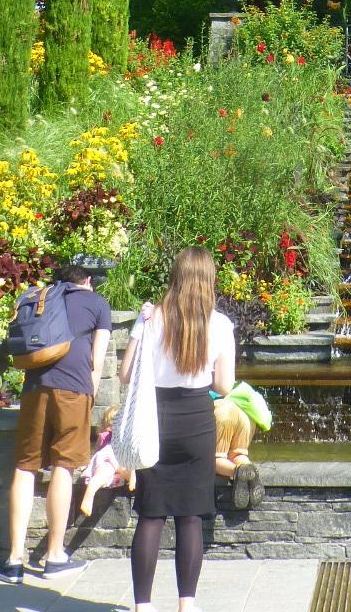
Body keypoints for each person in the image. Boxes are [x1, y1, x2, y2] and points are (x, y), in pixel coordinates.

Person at [119, 247, 236, 612]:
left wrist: (140, 326)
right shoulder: (219, 324)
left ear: (176, 276)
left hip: (155, 418)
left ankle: (143, 605)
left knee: (151, 514)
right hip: (196, 420)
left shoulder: (153, 319)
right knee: (190, 514)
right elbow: (225, 385)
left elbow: (125, 376)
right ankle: (187, 604)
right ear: (208, 281)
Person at [0, 262, 111, 581]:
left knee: (25, 466)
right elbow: (96, 362)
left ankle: (14, 561)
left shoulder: (43, 296)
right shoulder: (98, 303)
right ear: (88, 280)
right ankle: (55, 556)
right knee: (63, 465)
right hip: (73, 388)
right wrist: (89, 394)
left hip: (34, 388)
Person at [78, 404, 135, 515]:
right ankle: (88, 497)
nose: (111, 427)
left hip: (117, 461)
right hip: (108, 458)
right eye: (109, 424)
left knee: (120, 470)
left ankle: (132, 477)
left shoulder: (126, 439)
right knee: (104, 472)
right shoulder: (105, 436)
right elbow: (98, 452)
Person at [213, 395, 263, 508]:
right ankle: (249, 470)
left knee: (217, 458)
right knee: (238, 454)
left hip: (221, 410)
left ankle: (237, 472)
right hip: (246, 411)